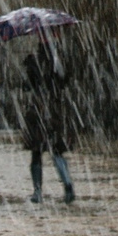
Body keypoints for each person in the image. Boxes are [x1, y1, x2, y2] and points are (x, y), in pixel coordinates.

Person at [21, 34, 75, 204]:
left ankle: (37, 191)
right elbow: (65, 81)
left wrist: (29, 65)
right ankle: (67, 184)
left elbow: (27, 85)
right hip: (56, 110)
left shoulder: (35, 61)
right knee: (57, 151)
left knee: (36, 153)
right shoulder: (60, 60)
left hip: (38, 109)